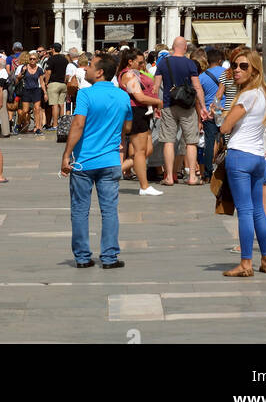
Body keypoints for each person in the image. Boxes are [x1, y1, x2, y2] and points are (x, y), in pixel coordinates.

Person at [60, 54, 133, 268]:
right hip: (110, 161)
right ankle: (109, 257)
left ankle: (83, 257)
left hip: (84, 162)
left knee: (80, 210)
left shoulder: (85, 95)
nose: (85, 69)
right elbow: (127, 127)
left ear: (100, 72)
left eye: (90, 66)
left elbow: (78, 125)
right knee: (109, 210)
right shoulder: (123, 96)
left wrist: (66, 154)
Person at [220, 49, 266, 277]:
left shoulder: (246, 95)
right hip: (257, 158)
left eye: (244, 66)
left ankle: (245, 263)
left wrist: (221, 117)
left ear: (255, 70)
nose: (237, 70)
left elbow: (225, 128)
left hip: (240, 155)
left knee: (244, 211)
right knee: (258, 212)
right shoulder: (263, 93)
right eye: (235, 65)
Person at [153, 37, 207, 186]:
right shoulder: (190, 63)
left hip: (168, 105)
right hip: (187, 107)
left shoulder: (163, 63)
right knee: (191, 142)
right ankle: (192, 178)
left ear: (173, 47)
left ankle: (169, 176)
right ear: (184, 48)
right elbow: (197, 87)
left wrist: (156, 106)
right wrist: (203, 107)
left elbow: (156, 87)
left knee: (168, 141)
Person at [118, 50, 163, 195]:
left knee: (146, 150)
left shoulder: (133, 73)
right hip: (136, 112)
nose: (143, 65)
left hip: (141, 113)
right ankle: (144, 186)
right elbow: (140, 97)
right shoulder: (129, 75)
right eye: (140, 62)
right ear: (130, 62)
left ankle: (115, 170)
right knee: (140, 151)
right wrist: (158, 101)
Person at [198, 49, 225, 181]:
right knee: (227, 140)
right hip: (225, 110)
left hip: (209, 112)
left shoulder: (201, 77)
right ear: (220, 60)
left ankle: (207, 173)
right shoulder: (226, 74)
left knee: (209, 142)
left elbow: (198, 98)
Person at [42, 43, 69, 130]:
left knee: (54, 105)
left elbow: (48, 72)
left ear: (53, 49)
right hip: (63, 84)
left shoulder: (51, 59)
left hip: (54, 83)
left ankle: (55, 125)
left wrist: (46, 82)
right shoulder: (65, 59)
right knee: (61, 105)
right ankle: (61, 124)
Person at [16, 52, 45, 134]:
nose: (32, 60)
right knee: (24, 111)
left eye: (34, 59)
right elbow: (17, 79)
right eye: (30, 59)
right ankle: (18, 124)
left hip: (36, 90)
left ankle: (38, 128)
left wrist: (45, 92)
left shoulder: (39, 69)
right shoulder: (24, 68)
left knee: (37, 109)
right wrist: (22, 72)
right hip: (26, 90)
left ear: (37, 60)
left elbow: (42, 82)